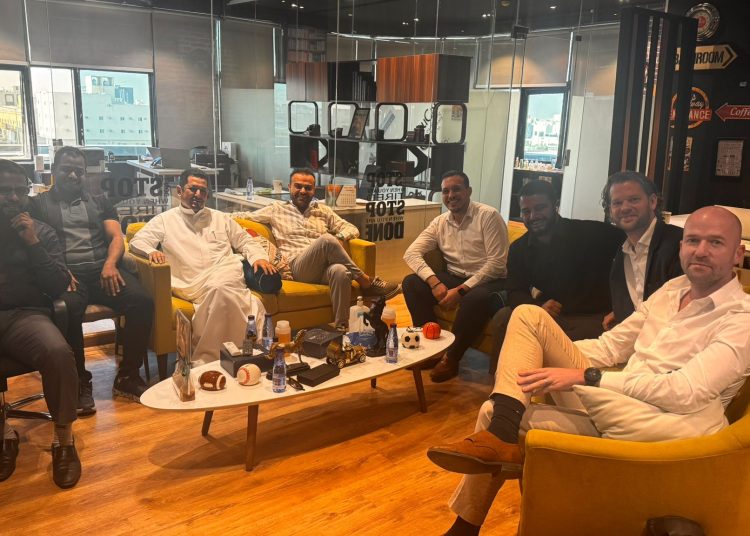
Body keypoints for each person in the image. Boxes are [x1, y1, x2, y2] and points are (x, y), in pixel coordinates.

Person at [426, 206, 750, 536]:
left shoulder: (742, 318)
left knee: (511, 396)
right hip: (621, 406)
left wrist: (587, 376)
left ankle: (502, 462)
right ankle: (466, 524)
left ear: (737, 254)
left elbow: (686, 391)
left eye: (716, 242)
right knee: (521, 333)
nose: (701, 251)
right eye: (693, 240)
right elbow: (611, 347)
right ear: (681, 247)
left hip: (667, 428)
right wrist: (542, 354)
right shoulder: (671, 291)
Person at [30, 147, 153, 411]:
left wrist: (110, 264)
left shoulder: (98, 201)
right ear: (54, 170)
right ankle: (79, 381)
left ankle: (128, 377)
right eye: (67, 170)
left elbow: (116, 237)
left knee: (142, 301)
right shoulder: (38, 205)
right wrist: (58, 270)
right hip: (68, 276)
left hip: (102, 272)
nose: (73, 175)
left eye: (79, 171)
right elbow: (36, 245)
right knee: (68, 309)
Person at [129, 169, 271, 364]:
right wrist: (150, 252)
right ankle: (229, 356)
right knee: (235, 297)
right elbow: (137, 241)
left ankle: (219, 358)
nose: (198, 194)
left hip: (227, 272)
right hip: (191, 281)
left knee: (223, 289)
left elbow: (245, 241)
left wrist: (259, 258)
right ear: (180, 191)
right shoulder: (165, 220)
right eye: (192, 189)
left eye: (203, 191)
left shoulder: (220, 218)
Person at [0, 159, 81, 489]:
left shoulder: (42, 232)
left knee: (58, 353)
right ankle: (6, 434)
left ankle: (64, 440)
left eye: (20, 191)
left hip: (25, 315)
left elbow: (58, 285)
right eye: (5, 191)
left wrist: (32, 243)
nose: (13, 198)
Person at [486, 179, 624, 369]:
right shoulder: (519, 248)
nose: (533, 216)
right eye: (526, 211)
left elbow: (633, 251)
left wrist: (622, 306)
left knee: (563, 340)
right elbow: (515, 290)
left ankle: (546, 383)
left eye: (540, 208)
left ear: (555, 205)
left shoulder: (591, 233)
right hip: (551, 313)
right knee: (503, 318)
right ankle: (501, 380)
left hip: (592, 314)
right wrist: (538, 307)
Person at [243, 168, 400, 328]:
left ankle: (341, 327)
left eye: (308, 188)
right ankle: (365, 281)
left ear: (314, 190)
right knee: (326, 240)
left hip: (322, 267)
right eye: (298, 186)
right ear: (289, 187)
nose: (303, 191)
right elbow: (241, 217)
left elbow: (351, 228)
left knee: (340, 271)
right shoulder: (275, 209)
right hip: (296, 267)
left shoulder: (323, 211)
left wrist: (340, 237)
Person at [402, 171, 509, 383]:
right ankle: (432, 349)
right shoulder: (440, 222)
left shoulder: (488, 216)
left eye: (456, 189)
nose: (451, 195)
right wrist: (434, 283)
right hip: (456, 276)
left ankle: (452, 357)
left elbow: (497, 264)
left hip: (491, 280)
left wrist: (461, 291)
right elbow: (411, 253)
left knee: (474, 297)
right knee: (411, 283)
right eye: (445, 191)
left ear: (469, 191)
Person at [602, 170, 682, 330]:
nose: (625, 208)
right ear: (610, 210)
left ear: (652, 201)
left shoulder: (679, 245)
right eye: (617, 203)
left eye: (634, 199)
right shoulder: (622, 251)